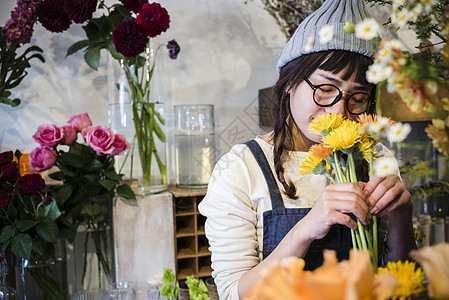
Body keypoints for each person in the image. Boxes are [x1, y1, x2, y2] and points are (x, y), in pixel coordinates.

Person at [198, 0, 417, 299]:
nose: (339, 110)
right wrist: (306, 228)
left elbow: (399, 284)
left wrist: (402, 215)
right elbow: (235, 294)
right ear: (289, 81)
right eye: (326, 89)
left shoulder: (375, 157)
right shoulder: (240, 168)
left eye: (358, 97)